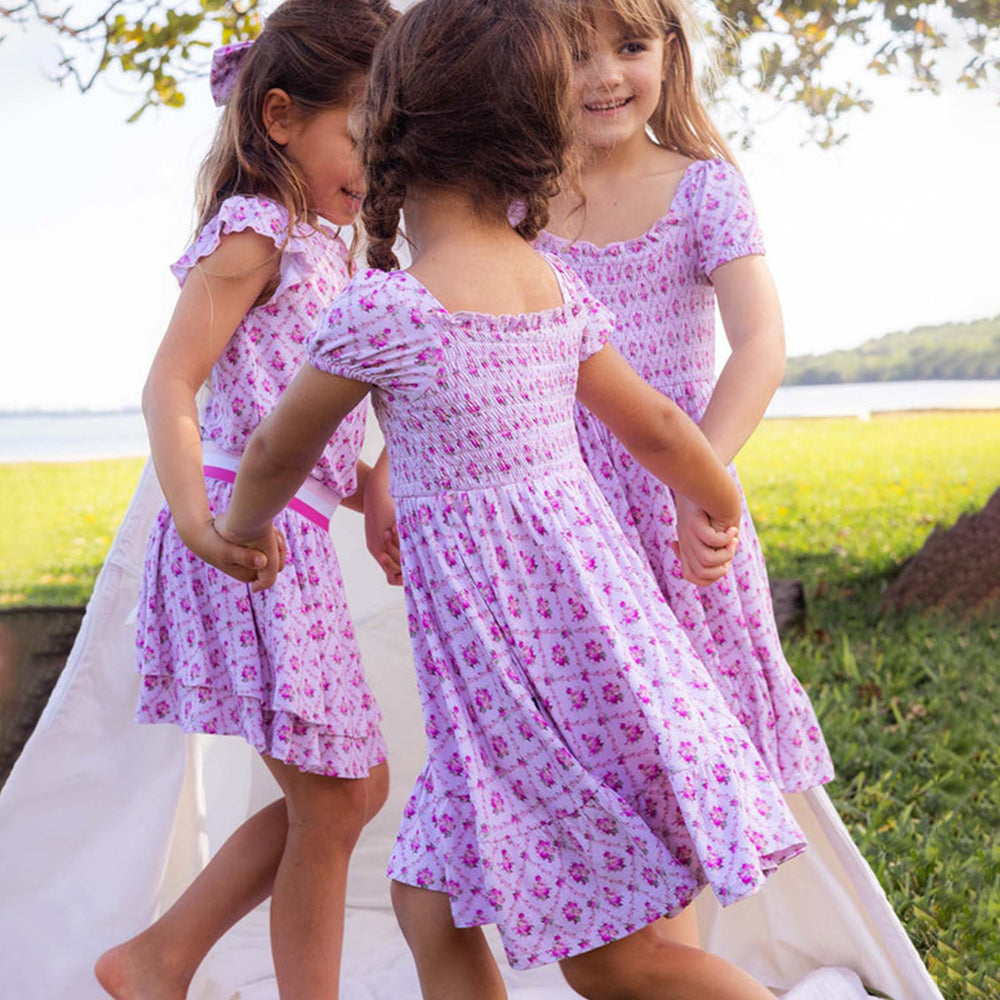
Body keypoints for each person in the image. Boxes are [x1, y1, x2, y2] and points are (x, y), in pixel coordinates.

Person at [214, 1, 807, 997]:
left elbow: (276, 448)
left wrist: (235, 527)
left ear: (386, 134)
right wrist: (717, 499)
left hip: (527, 692)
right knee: (427, 899)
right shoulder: (548, 285)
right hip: (577, 673)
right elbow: (660, 429)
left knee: (616, 967)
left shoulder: (387, 309)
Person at [94, 1, 396, 997]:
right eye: (363, 132)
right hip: (242, 540)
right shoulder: (259, 229)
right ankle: (175, 965)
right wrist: (197, 520)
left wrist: (372, 490)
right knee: (339, 797)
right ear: (279, 117)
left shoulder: (329, 247)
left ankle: (158, 959)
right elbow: (172, 383)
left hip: (286, 539)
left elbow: (301, 430)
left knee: (348, 794)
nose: (379, 161)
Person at [536, 0, 834, 794]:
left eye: (630, 46)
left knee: (706, 727)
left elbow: (761, 343)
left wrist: (696, 475)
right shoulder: (516, 207)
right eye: (575, 53)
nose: (604, 75)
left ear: (668, 52)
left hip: (683, 499)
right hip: (565, 507)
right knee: (602, 731)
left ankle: (716, 878)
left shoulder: (704, 190)